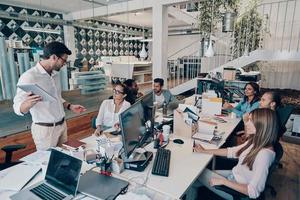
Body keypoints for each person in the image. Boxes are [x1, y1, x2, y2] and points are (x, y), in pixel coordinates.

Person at [186, 108, 278, 200]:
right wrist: (204, 151)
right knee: (193, 182)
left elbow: (253, 192)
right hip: (233, 176)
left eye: (251, 121)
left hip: (237, 192)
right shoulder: (256, 141)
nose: (246, 123)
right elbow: (232, 151)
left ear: (263, 126)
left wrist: (224, 182)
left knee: (194, 175)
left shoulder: (264, 155)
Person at [13, 42, 86, 151]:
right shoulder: (29, 77)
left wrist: (69, 106)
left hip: (62, 126)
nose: (64, 64)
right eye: (64, 60)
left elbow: (57, 97)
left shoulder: (55, 75)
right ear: (54, 57)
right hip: (45, 130)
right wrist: (27, 104)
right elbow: (17, 107)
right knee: (47, 163)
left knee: (65, 160)